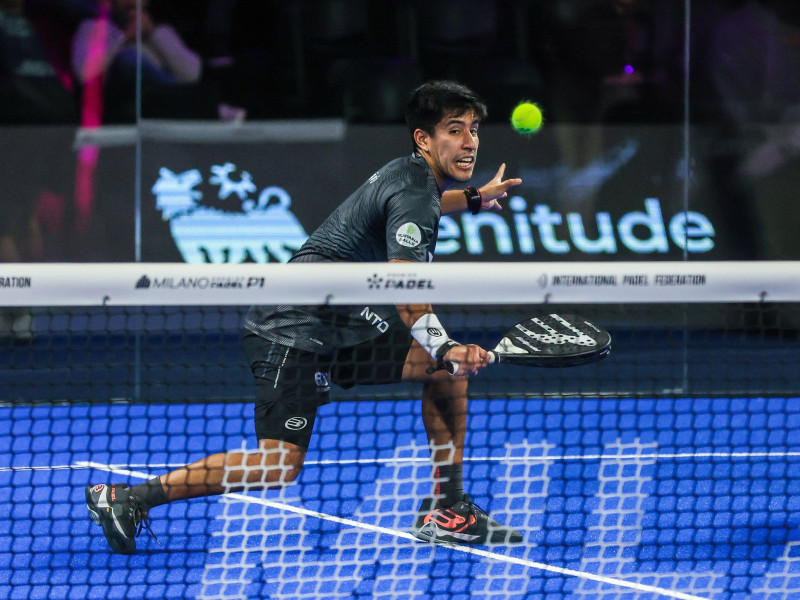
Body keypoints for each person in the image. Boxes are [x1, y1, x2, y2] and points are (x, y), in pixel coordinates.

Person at [86, 81, 525, 553]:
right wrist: (444, 344)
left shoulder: (408, 176)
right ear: (423, 139)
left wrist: (476, 198)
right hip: (292, 327)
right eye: (454, 130)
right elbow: (405, 285)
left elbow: (420, 207)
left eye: (474, 130)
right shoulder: (414, 189)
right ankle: (129, 497)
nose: (470, 142)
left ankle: (448, 508)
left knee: (446, 376)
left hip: (342, 322)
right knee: (279, 465)